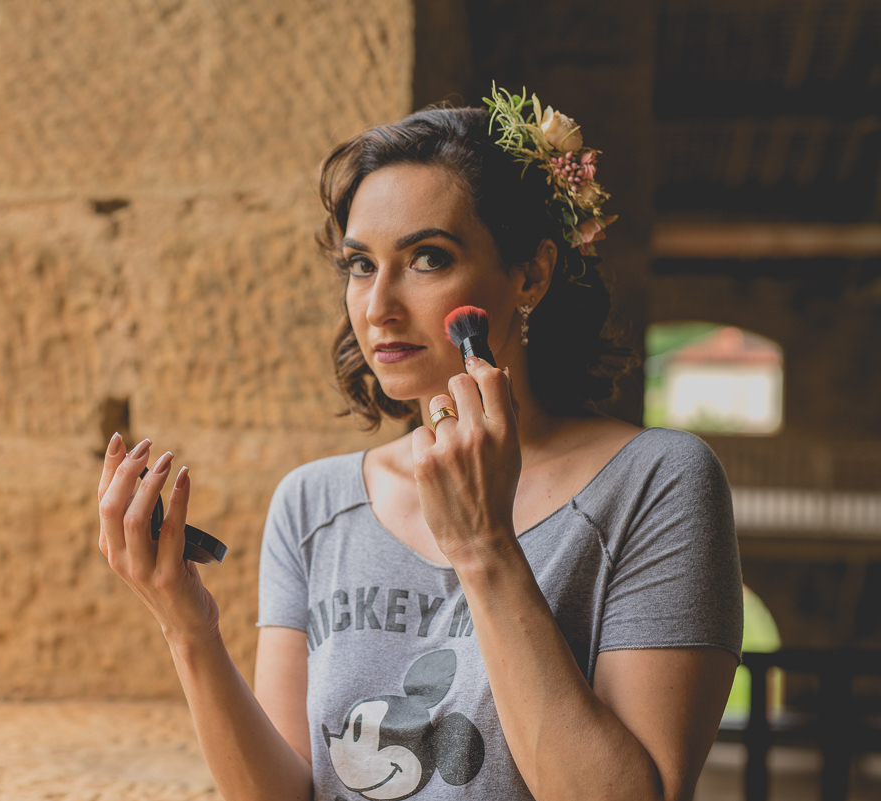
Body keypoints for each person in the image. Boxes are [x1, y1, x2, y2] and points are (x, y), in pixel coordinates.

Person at [96, 97, 743, 801]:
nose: (379, 306)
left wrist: (485, 547)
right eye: (361, 265)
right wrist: (187, 628)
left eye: (428, 258)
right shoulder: (313, 504)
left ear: (531, 274)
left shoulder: (656, 483)